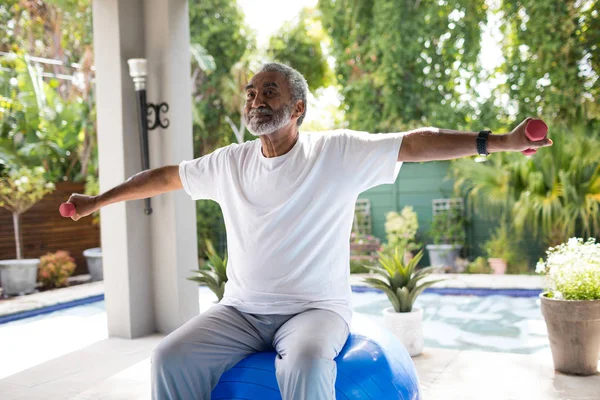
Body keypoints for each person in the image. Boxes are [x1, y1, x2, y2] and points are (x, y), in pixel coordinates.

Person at [64, 62, 553, 399]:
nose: (256, 99)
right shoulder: (229, 162)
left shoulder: (335, 153)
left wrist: (500, 141)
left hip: (314, 311)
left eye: (269, 92)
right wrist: (96, 202)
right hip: (239, 311)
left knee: (306, 365)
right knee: (169, 356)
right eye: (251, 93)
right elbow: (164, 176)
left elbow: (416, 143)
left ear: (297, 108)